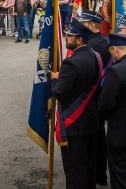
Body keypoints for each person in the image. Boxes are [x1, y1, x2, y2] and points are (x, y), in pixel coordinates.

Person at [51, 18, 101, 189]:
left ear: (79, 39)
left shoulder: (71, 62)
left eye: (69, 35)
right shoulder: (95, 56)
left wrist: (54, 80)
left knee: (75, 173)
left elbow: (59, 93)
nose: (66, 37)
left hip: (75, 125)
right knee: (88, 168)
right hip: (91, 121)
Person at [78, 8, 111, 186]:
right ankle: (101, 173)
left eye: (83, 23)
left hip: (88, 98)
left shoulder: (86, 47)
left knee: (90, 139)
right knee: (101, 136)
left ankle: (91, 173)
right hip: (105, 95)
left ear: (92, 25)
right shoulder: (108, 43)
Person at [98, 33, 126, 189]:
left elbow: (105, 104)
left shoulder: (115, 71)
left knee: (120, 177)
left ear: (115, 49)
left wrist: (109, 118)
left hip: (120, 135)